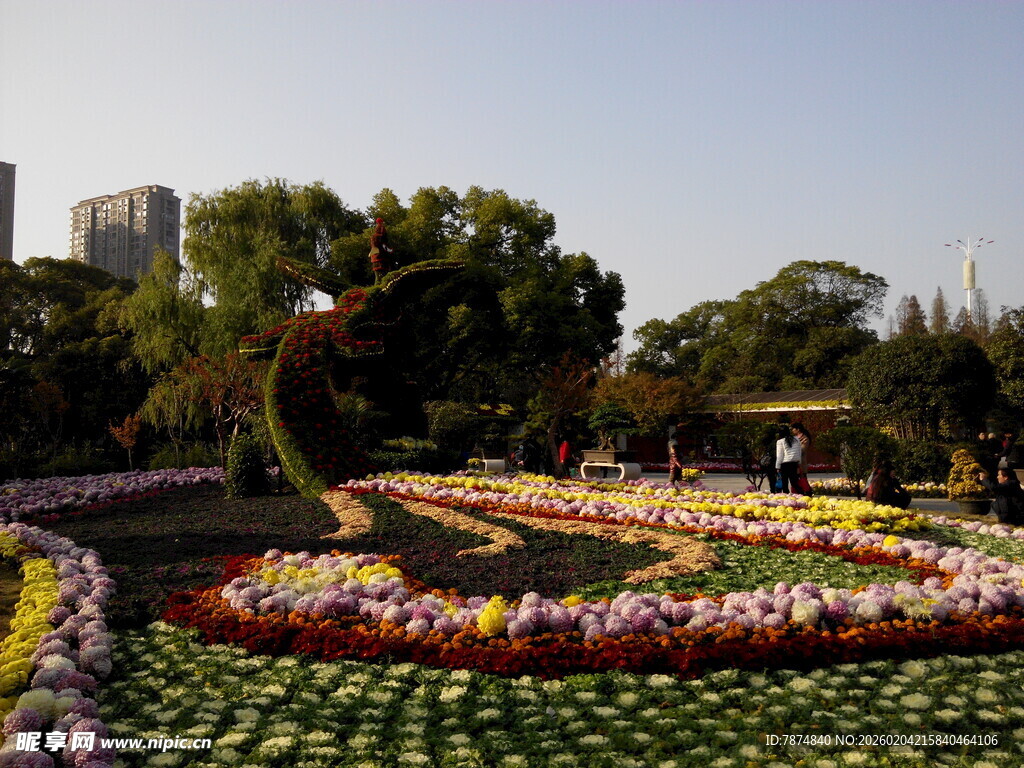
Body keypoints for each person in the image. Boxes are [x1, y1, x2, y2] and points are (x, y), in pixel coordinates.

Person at [775, 425, 802, 493]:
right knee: (794, 482)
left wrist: (777, 466)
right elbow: (799, 451)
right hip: (794, 463)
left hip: (785, 463)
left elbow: (780, 455)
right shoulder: (796, 439)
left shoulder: (780, 441)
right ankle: (801, 494)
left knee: (784, 483)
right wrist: (799, 461)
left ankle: (786, 495)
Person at [368, 218, 395, 283]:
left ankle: (378, 287)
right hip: (381, 260)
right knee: (382, 278)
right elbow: (385, 247)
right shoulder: (381, 237)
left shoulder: (374, 237)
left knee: (378, 278)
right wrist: (391, 250)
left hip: (376, 260)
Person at [791, 422, 814, 494]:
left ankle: (806, 491)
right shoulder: (793, 438)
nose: (792, 430)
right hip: (794, 461)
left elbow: (802, 450)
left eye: (793, 429)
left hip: (801, 462)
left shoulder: (805, 438)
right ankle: (797, 492)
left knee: (802, 477)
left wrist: (793, 450)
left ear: (798, 429)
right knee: (795, 478)